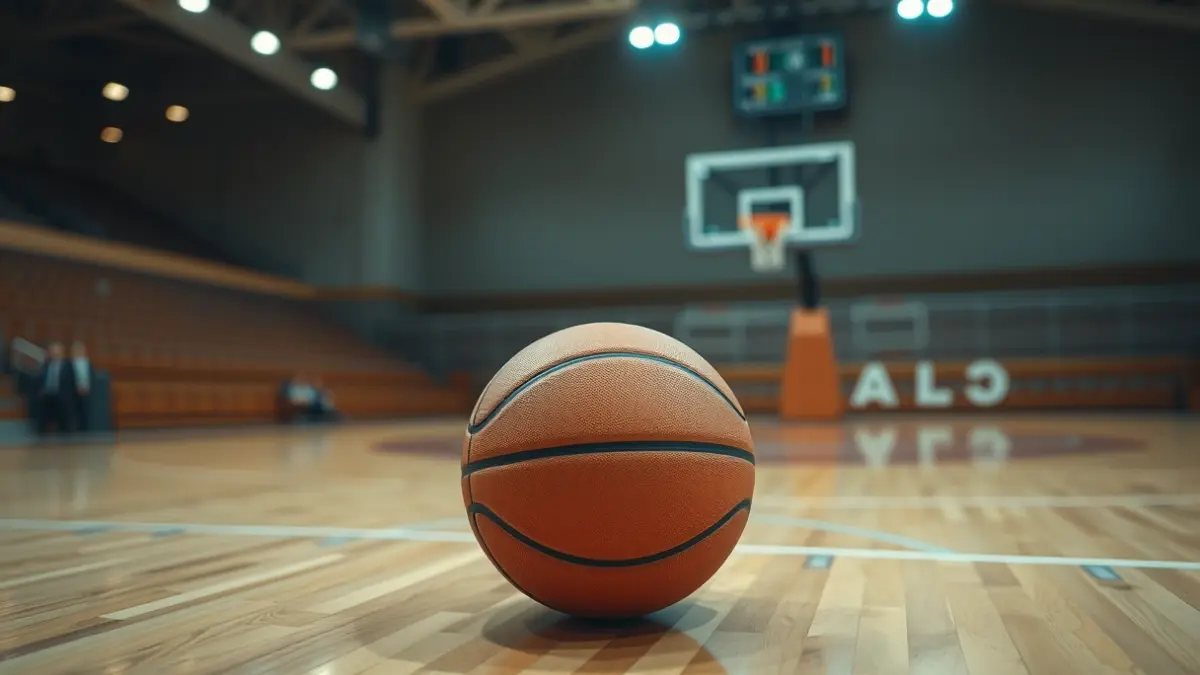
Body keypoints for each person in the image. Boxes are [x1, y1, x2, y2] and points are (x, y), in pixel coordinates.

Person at [35, 341, 75, 435]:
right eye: (52, 351)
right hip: (47, 394)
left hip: (62, 395)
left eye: (56, 351)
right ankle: (42, 433)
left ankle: (65, 432)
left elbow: (71, 381)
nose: (54, 353)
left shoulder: (68, 365)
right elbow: (40, 380)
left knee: (64, 408)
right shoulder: (45, 365)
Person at [70, 340, 95, 432]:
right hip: (73, 393)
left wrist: (87, 388)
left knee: (85, 412)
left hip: (86, 392)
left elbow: (91, 378)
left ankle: (85, 431)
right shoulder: (70, 364)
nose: (78, 352)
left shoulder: (88, 363)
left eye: (80, 350)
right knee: (74, 413)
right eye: (76, 350)